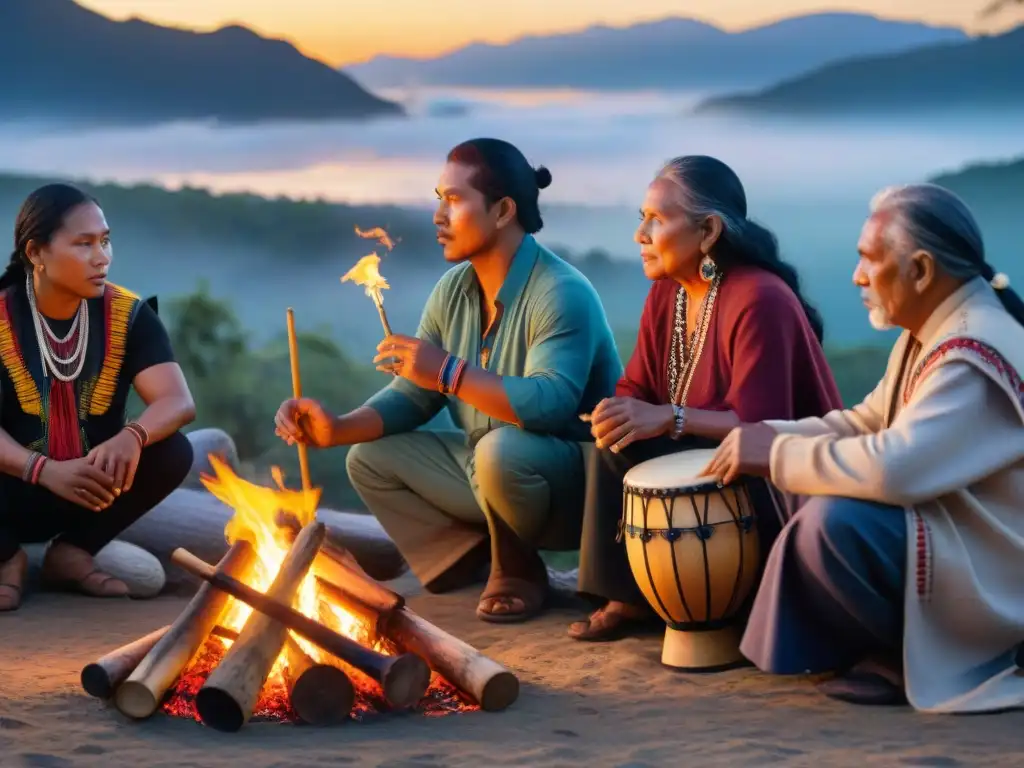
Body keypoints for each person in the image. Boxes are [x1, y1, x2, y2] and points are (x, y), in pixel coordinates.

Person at [703, 183, 1024, 713]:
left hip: (995, 571)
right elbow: (866, 421)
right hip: (953, 530)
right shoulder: (932, 330)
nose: (857, 277)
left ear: (920, 270)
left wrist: (778, 455)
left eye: (869, 260)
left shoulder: (973, 351)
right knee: (795, 484)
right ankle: (872, 642)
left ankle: (909, 654)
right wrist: (772, 439)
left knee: (833, 524)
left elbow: (896, 468)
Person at [274, 138, 622, 623]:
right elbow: (416, 397)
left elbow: (550, 404)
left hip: (571, 487)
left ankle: (518, 569)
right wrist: (337, 428)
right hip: (491, 475)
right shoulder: (454, 290)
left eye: (454, 200)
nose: (438, 214)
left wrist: (447, 371)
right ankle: (469, 560)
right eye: (439, 197)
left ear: (502, 211)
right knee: (370, 459)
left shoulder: (561, 292)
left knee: (500, 450)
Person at [568, 155, 843, 641]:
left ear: (708, 231)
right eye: (641, 219)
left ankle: (711, 595)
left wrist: (668, 418)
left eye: (657, 219)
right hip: (704, 454)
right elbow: (638, 386)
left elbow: (763, 431)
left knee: (643, 439)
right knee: (614, 442)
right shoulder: (668, 294)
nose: (641, 235)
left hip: (772, 476)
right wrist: (619, 411)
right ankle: (628, 596)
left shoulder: (760, 298)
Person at [0, 184, 196, 612]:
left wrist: (134, 435)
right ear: (35, 253)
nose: (102, 256)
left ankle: (73, 552)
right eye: (84, 243)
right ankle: (6, 558)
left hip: (93, 489)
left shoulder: (130, 314)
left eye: (105, 241)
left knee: (174, 450)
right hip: (10, 490)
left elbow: (177, 402)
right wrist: (42, 470)